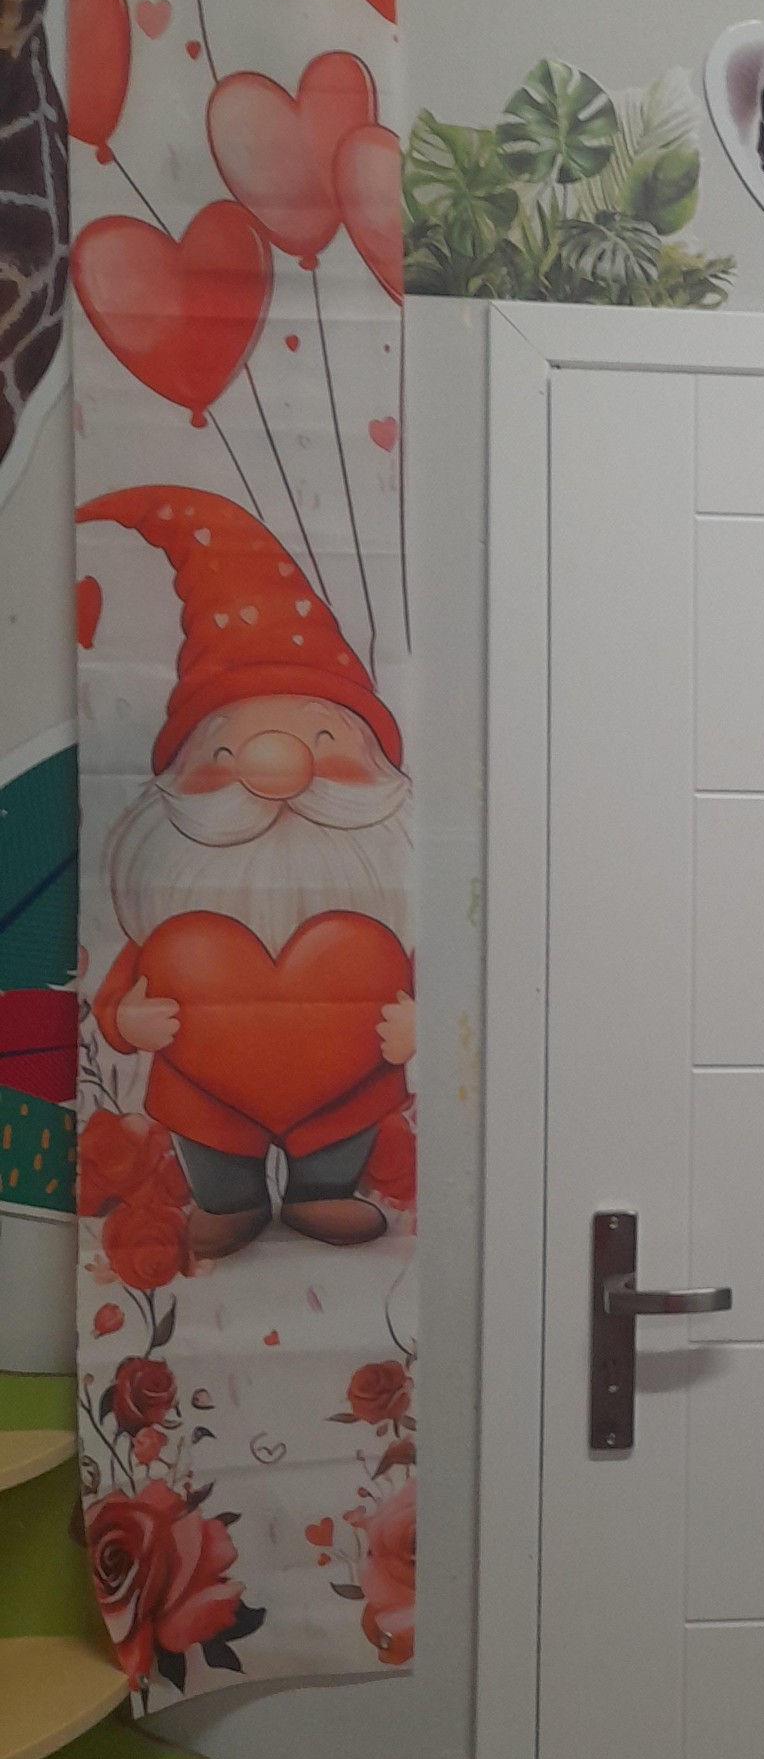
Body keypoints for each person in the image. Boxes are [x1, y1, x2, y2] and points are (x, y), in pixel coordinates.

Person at [80, 486, 412, 1260]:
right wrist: (127, 1021)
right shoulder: (168, 914)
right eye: (226, 752)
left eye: (321, 739)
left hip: (347, 1084)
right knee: (209, 1126)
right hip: (208, 1091)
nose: (277, 769)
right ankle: (228, 1201)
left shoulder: (390, 902)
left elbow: (436, 984)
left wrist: (416, 1025)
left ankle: (321, 1190)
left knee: (344, 1116)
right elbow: (117, 995)